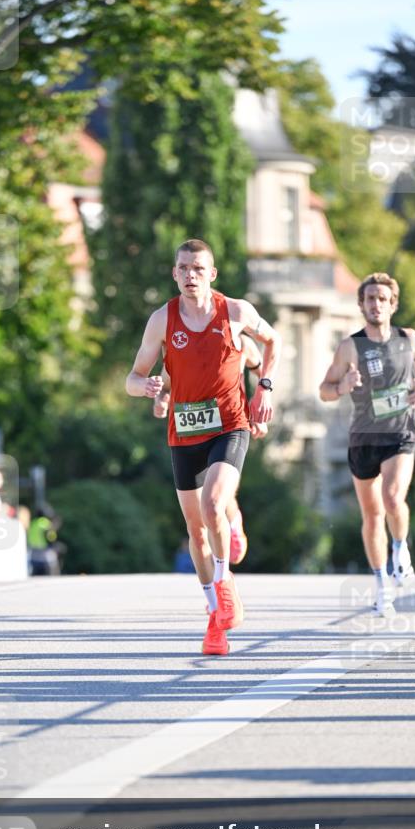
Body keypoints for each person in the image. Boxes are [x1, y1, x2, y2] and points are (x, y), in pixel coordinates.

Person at [126, 238, 281, 656]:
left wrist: (264, 389)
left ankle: (225, 583)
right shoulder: (162, 320)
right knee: (196, 530)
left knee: (213, 505)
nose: (190, 276)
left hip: (230, 425)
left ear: (212, 274)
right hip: (184, 432)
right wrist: (149, 388)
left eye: (199, 269)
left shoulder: (235, 312)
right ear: (174, 274)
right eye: (183, 268)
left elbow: (273, 343)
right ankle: (215, 618)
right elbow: (133, 378)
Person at [319, 272, 415, 616]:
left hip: (400, 435)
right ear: (361, 305)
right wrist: (343, 386)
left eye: (382, 299)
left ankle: (400, 547)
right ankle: (381, 585)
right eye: (370, 299)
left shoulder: (408, 339)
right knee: (371, 516)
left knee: (392, 497)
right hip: (363, 439)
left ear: (393, 304)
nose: (376, 304)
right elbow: (324, 389)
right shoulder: (349, 347)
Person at [152, 331, 267, 565]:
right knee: (202, 501)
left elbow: (264, 372)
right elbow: (166, 384)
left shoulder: (241, 342)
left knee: (216, 494)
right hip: (191, 433)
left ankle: (232, 522)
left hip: (229, 427)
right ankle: (218, 558)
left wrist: (261, 401)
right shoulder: (184, 349)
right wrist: (161, 399)